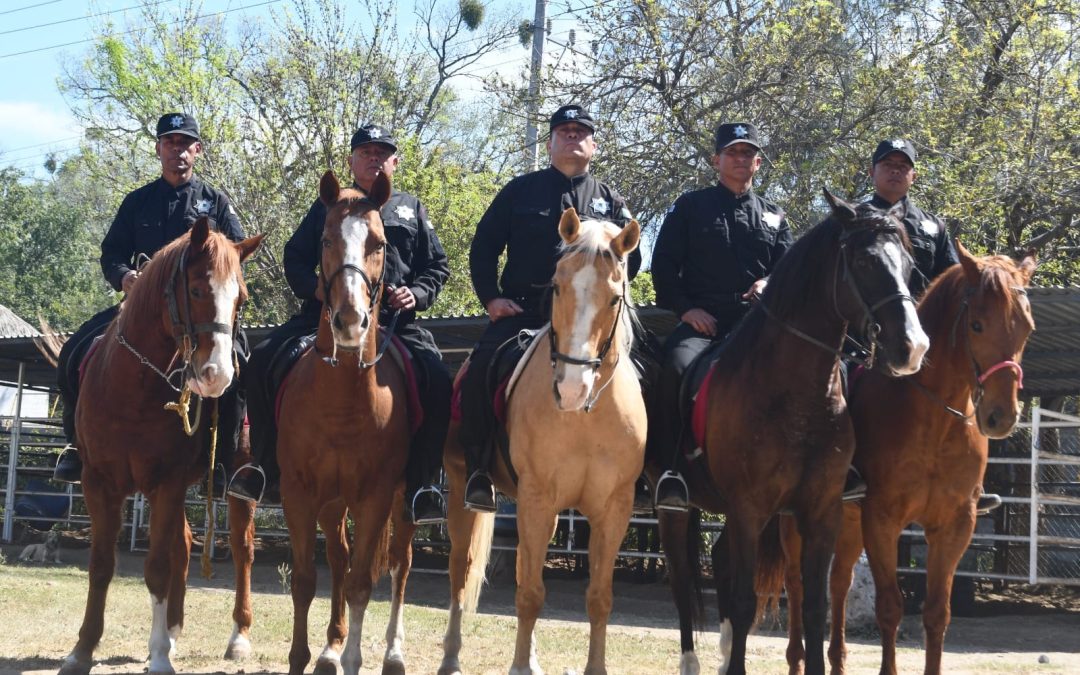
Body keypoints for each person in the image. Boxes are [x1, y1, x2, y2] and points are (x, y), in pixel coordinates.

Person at [226, 123, 452, 526]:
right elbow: (294, 256)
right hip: (326, 319)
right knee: (260, 361)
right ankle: (264, 469)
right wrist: (315, 290)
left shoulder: (409, 207)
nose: (375, 159)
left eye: (383, 153)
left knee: (438, 378)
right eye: (366, 152)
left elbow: (437, 266)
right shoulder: (328, 207)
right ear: (351, 161)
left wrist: (415, 294)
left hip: (395, 324)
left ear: (395, 162)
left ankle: (422, 485)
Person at [460, 103, 642, 513]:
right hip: (524, 315)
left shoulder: (611, 200)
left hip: (589, 324)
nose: (572, 137)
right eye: (564, 131)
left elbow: (636, 257)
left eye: (581, 132)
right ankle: (479, 471)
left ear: (594, 146)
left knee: (649, 374)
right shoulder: (519, 191)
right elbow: (484, 247)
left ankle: (643, 472)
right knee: (478, 373)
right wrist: (491, 298)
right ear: (550, 143)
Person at [53, 112, 247, 491]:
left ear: (198, 150)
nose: (178, 151)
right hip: (140, 309)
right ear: (159, 149)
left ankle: (223, 463)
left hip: (200, 315)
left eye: (185, 144)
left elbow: (236, 254)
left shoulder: (216, 202)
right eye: (170, 143)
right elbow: (111, 253)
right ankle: (76, 447)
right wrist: (124, 277)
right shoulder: (137, 202)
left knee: (241, 371)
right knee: (75, 349)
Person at [649, 122, 794, 511]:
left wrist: (769, 283)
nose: (740, 159)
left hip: (757, 326)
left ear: (758, 163)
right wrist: (687, 310)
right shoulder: (690, 206)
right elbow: (662, 266)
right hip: (703, 322)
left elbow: (790, 272)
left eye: (748, 153)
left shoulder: (775, 216)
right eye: (733, 153)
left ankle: (803, 468)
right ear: (717, 160)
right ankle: (670, 470)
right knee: (674, 369)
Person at [865, 138, 1000, 515]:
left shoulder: (932, 226)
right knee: (841, 390)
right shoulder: (853, 219)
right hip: (866, 339)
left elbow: (953, 284)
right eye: (887, 164)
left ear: (913, 175)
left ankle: (971, 478)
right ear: (872, 171)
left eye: (902, 165)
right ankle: (840, 470)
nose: (895, 170)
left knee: (965, 380)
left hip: (923, 342)